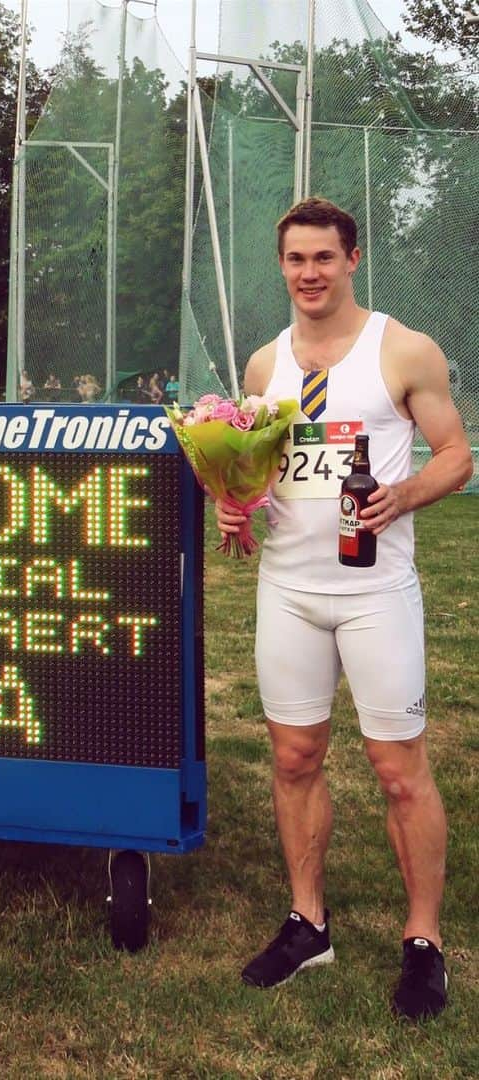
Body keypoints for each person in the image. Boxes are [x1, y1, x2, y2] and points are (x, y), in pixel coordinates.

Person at [215, 198, 471, 1021]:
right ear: (281, 265)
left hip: (374, 594)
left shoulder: (402, 349)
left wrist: (402, 493)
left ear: (352, 259)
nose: (310, 274)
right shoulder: (264, 366)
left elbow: (457, 455)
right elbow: (257, 468)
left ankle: (424, 942)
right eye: (296, 260)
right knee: (293, 759)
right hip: (288, 591)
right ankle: (307, 922)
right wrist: (235, 503)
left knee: (399, 772)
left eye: (324, 258)